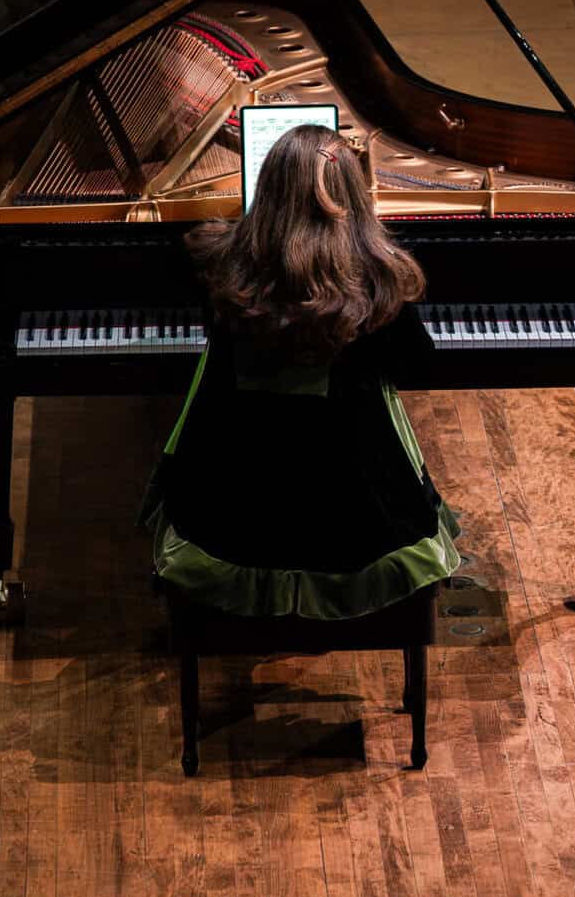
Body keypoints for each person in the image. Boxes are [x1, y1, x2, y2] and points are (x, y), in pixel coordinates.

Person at [139, 123, 460, 617]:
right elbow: (416, 365)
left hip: (231, 516)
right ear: (352, 196)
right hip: (356, 523)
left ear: (266, 190)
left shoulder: (223, 265)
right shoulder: (377, 279)